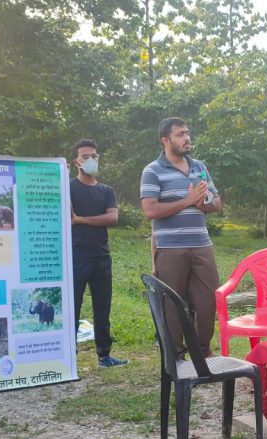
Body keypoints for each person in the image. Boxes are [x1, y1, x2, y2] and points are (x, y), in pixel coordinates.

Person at [140, 117, 221, 356]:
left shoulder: (200, 167)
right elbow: (150, 210)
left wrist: (205, 205)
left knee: (208, 300)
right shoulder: (152, 170)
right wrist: (188, 201)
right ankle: (175, 355)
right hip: (171, 248)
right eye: (180, 134)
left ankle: (202, 352)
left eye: (187, 133)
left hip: (202, 245)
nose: (187, 138)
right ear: (166, 140)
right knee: (172, 304)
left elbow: (217, 201)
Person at [69, 139, 127, 367]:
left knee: (102, 307)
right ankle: (68, 356)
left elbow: (112, 218)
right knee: (72, 306)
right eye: (85, 157)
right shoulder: (68, 188)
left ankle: (105, 355)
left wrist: (80, 219)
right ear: (77, 162)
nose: (90, 160)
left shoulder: (107, 191)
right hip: (75, 256)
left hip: (102, 257)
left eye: (94, 155)